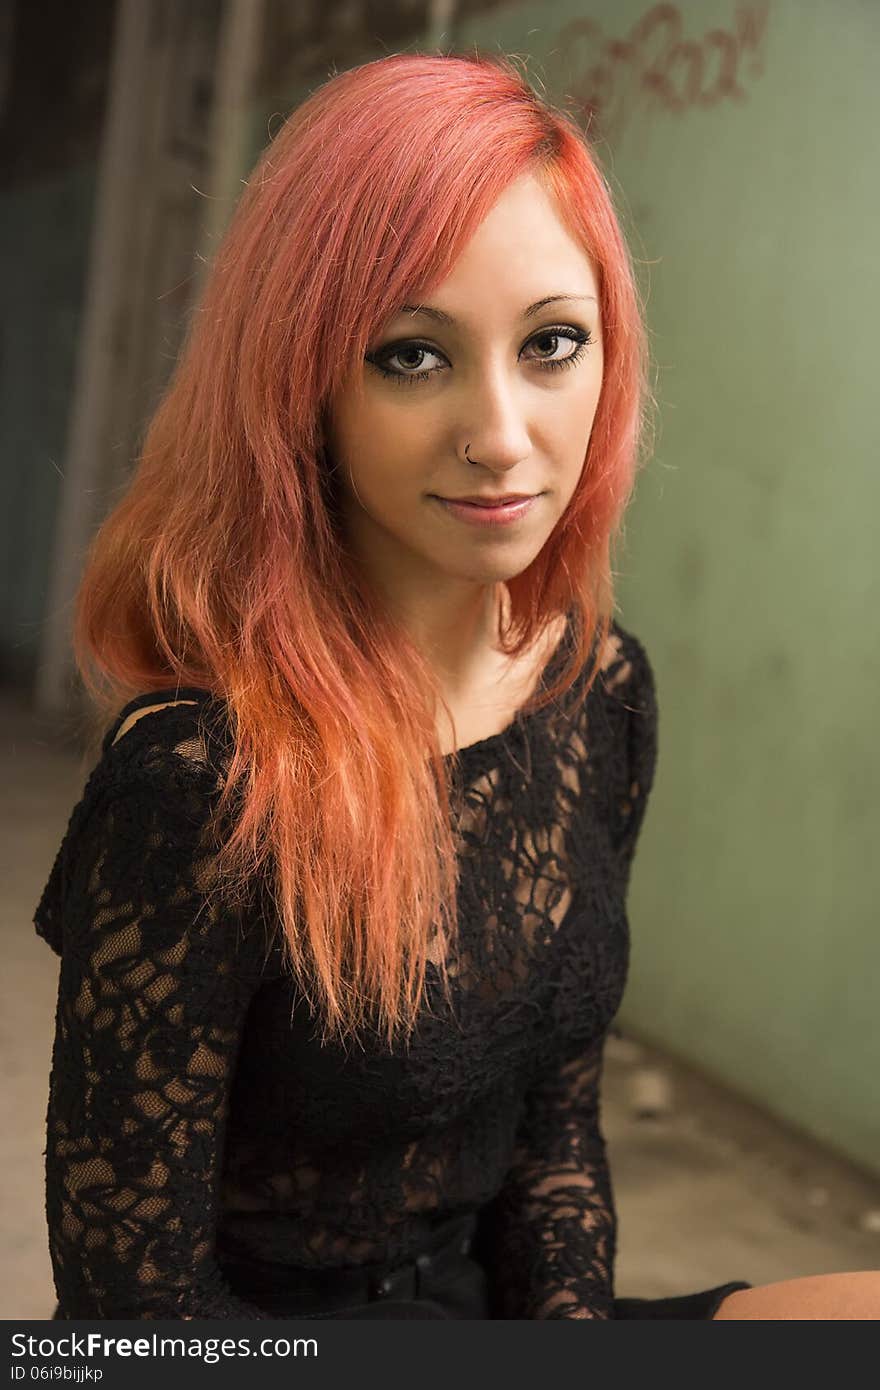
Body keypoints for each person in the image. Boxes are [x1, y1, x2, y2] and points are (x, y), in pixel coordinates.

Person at [34, 51, 879, 1321]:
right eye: (411, 356)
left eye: (551, 343)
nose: (500, 431)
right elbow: (131, 1309)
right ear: (300, 384)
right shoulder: (198, 782)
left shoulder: (598, 693)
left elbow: (553, 1139)